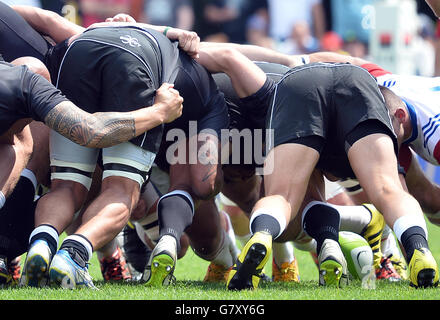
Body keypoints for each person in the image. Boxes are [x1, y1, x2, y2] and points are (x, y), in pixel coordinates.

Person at [196, 45, 439, 290]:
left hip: (302, 82)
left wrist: (176, 42)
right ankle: (418, 248)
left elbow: (321, 59)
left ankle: (262, 236)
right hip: (359, 83)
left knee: (282, 197)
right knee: (389, 190)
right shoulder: (417, 122)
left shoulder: (419, 117)